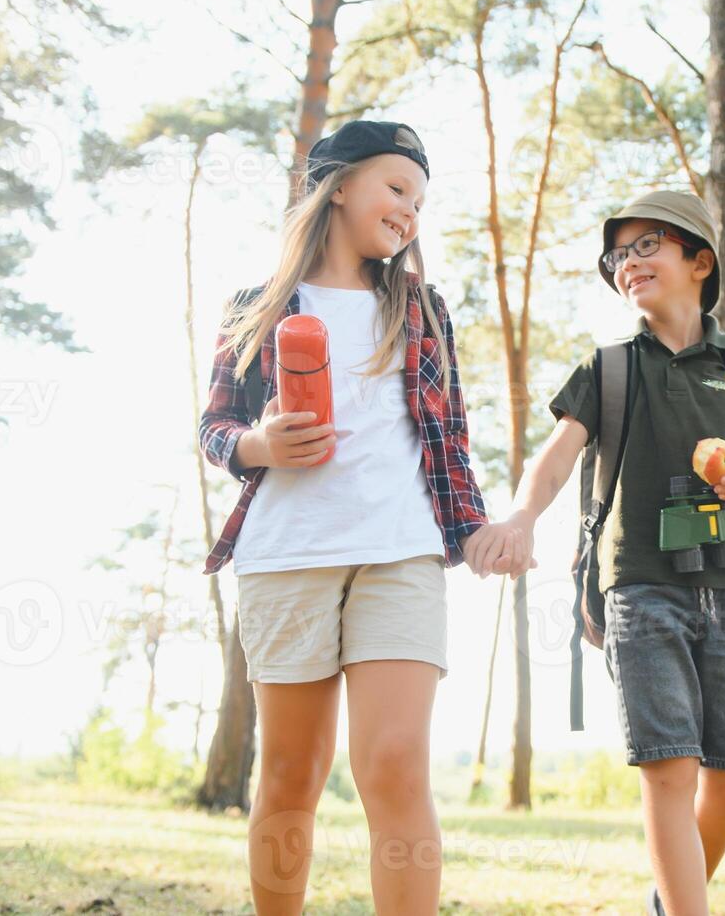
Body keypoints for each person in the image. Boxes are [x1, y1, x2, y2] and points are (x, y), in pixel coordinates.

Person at [197, 120, 519, 915]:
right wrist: (258, 443)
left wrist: (472, 527)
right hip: (287, 554)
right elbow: (214, 428)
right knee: (290, 775)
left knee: (397, 764)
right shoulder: (257, 306)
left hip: (400, 554)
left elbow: (448, 437)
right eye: (396, 188)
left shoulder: (422, 307)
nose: (410, 211)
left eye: (419, 199)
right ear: (337, 187)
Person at [472, 190, 725, 916]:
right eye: (617, 256)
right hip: (639, 585)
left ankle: (666, 905)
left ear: (700, 259)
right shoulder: (609, 369)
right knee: (668, 767)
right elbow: (556, 459)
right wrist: (524, 517)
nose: (628, 263)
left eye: (646, 245)